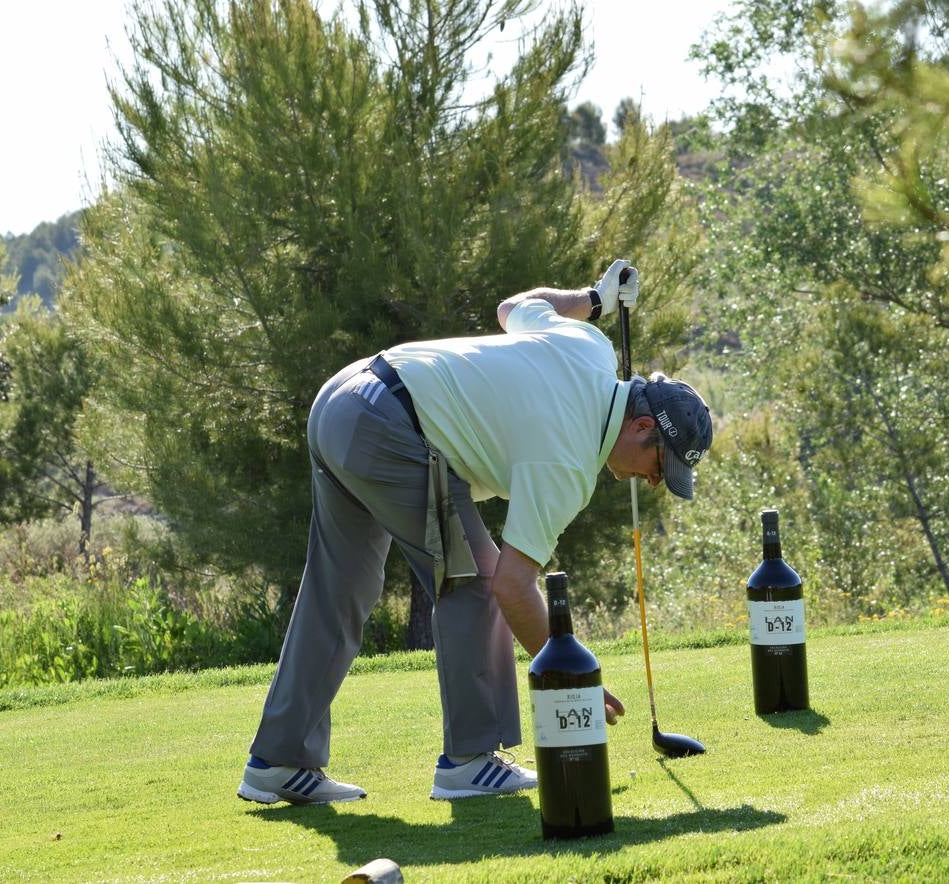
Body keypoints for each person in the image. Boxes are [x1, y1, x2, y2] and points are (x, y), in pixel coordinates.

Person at [237, 259, 714, 805]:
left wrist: (594, 300)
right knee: (477, 580)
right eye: (662, 465)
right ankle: (469, 761)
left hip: (344, 398)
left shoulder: (590, 347)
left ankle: (277, 762)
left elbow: (514, 308)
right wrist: (572, 679)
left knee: (339, 590)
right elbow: (512, 585)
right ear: (643, 425)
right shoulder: (569, 462)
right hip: (392, 425)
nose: (655, 481)